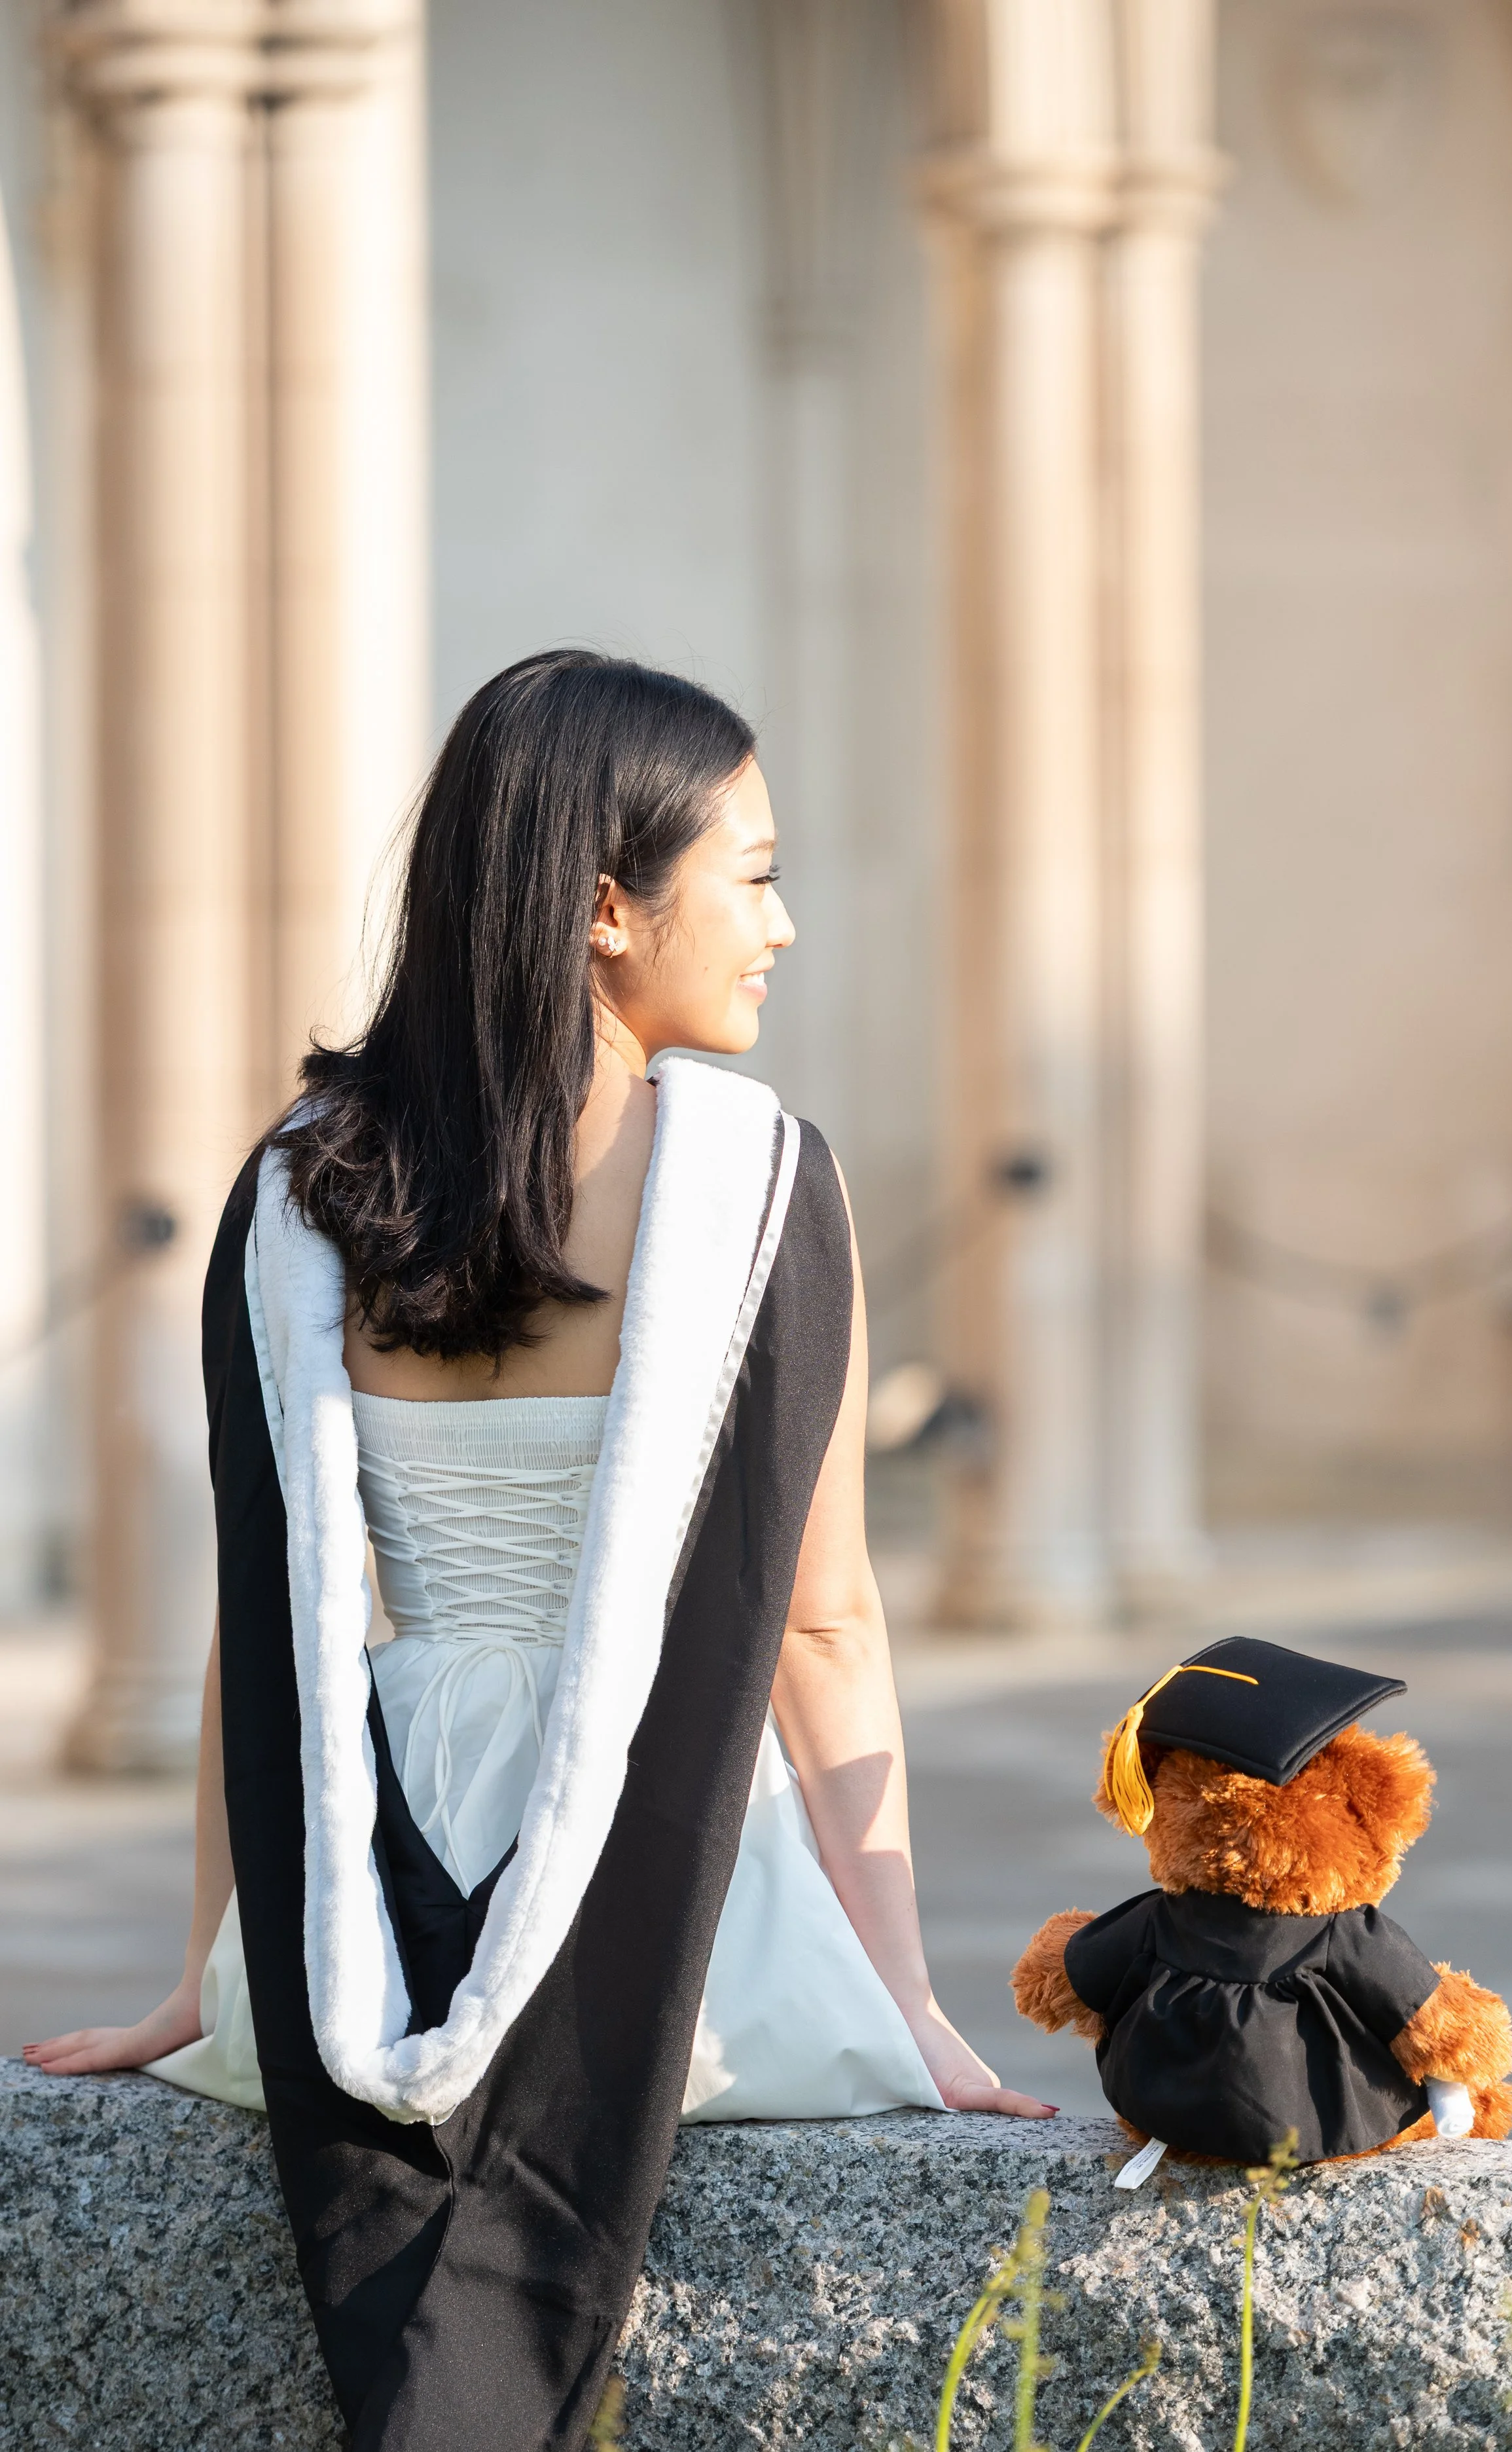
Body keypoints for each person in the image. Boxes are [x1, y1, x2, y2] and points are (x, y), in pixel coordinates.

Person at [27, 650, 1053, 2452]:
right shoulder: (759, 1182)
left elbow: (268, 1635)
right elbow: (819, 1627)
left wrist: (212, 1986)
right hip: (681, 1925)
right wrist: (906, 2004)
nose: (784, 925)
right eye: (749, 874)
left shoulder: (298, 1194)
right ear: (601, 907)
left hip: (348, 1921)